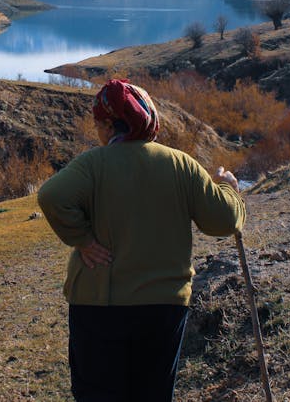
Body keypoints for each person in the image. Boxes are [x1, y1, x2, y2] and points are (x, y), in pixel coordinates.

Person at [37, 78, 245, 402]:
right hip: (163, 309)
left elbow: (52, 195)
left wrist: (82, 240)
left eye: (97, 124)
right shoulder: (181, 164)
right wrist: (228, 187)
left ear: (108, 125)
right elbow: (225, 220)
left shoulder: (94, 164)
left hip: (98, 307)